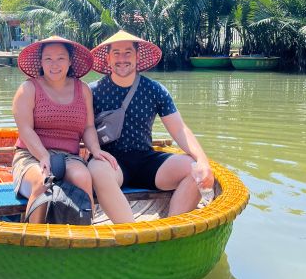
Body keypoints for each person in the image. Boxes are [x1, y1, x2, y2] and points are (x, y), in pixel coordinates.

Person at [88, 30, 214, 223]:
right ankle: (131, 234)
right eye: (116, 53)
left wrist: (203, 161)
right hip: (111, 162)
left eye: (128, 53)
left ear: (137, 57)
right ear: (108, 58)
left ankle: (171, 231)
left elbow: (180, 129)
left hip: (147, 160)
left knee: (193, 168)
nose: (122, 59)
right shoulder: (92, 92)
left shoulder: (154, 90)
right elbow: (81, 129)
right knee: (97, 169)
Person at [12, 35, 117, 223]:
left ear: (70, 62)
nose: (55, 64)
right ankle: (32, 241)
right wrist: (44, 156)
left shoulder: (83, 89)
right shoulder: (28, 89)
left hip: (69, 156)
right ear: (41, 62)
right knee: (43, 182)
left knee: (84, 178)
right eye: (48, 59)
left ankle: (82, 237)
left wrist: (96, 150)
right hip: (31, 154)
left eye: (61, 58)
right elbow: (25, 130)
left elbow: (89, 127)